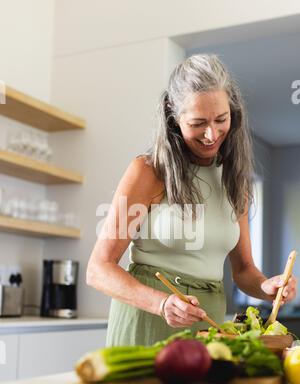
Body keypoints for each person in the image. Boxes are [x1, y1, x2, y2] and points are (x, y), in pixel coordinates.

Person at [86, 54, 297, 346]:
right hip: (148, 322)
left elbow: (244, 270)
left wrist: (267, 287)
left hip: (208, 326)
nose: (212, 134)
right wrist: (161, 303)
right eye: (198, 123)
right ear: (174, 117)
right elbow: (98, 269)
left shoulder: (234, 180)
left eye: (221, 119)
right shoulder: (148, 172)